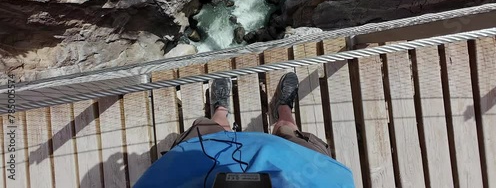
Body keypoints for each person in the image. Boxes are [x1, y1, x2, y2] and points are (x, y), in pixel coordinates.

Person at [135, 73, 354, 187]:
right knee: (289, 133)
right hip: (294, 170)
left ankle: (220, 109)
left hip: (199, 172)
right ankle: (283, 108)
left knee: (211, 132)